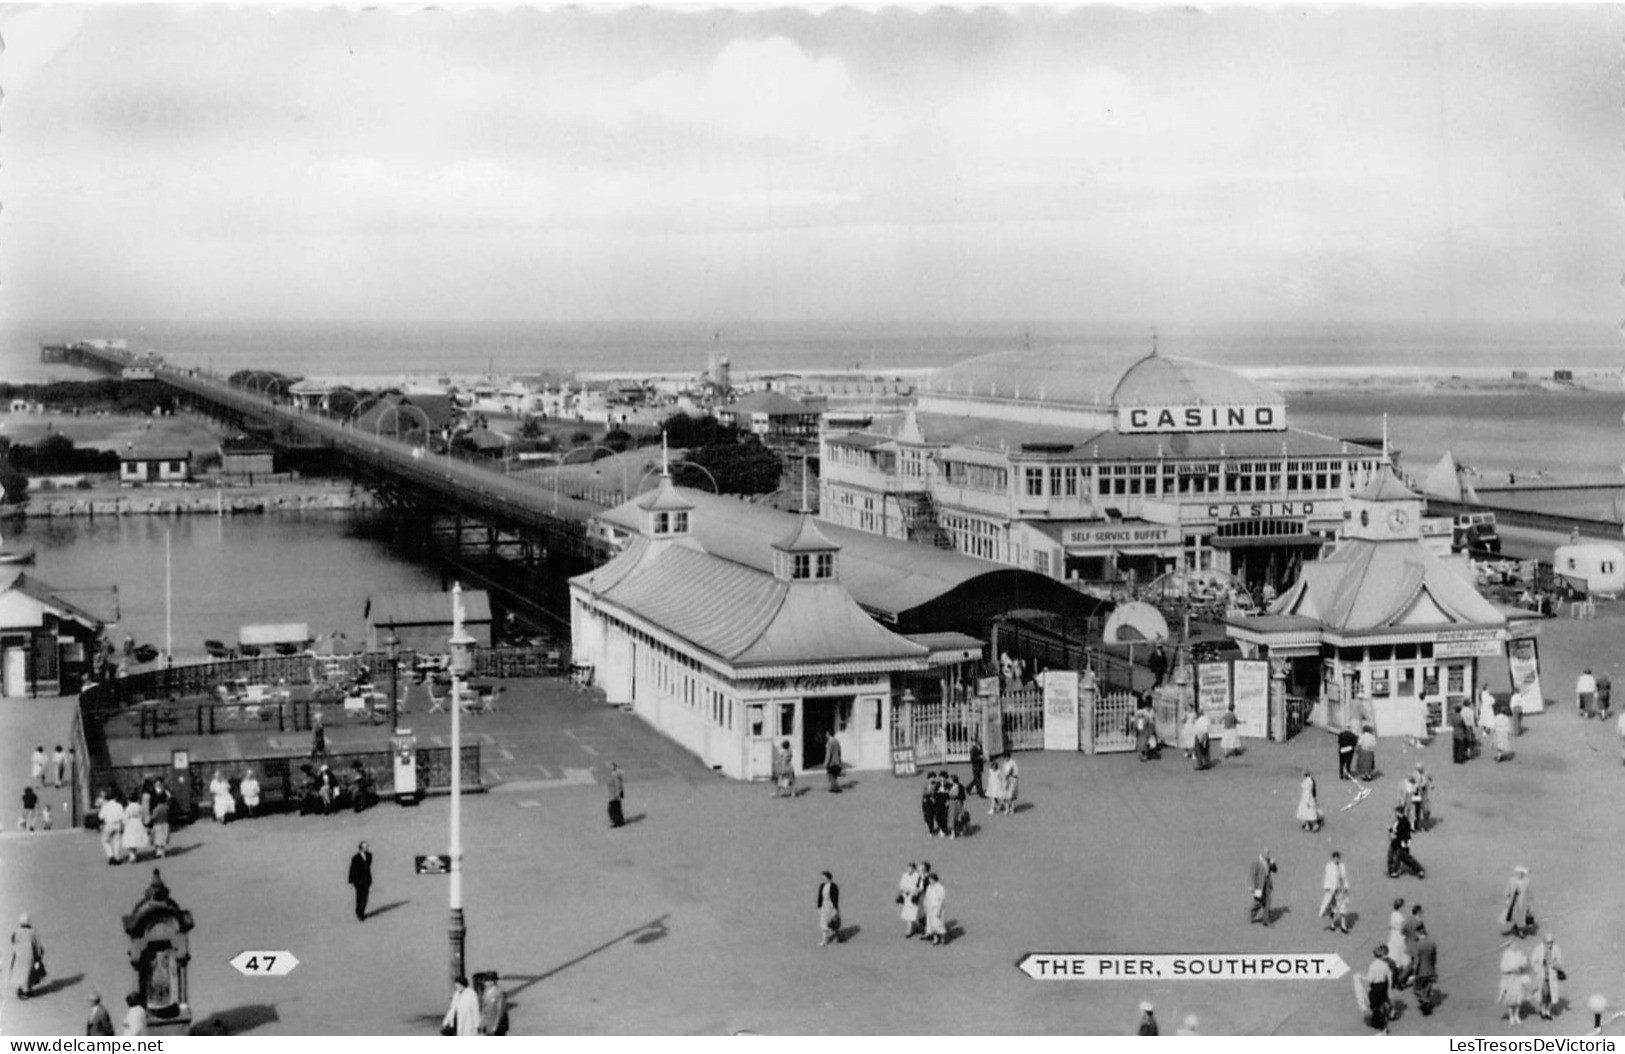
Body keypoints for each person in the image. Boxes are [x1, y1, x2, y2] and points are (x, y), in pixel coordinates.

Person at [1529, 933, 1565, 1020]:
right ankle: (1543, 1011)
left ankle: (1548, 1012)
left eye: (1551, 942)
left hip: (1551, 975)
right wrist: (1539, 966)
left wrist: (1554, 965)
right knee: (1543, 995)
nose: (1550, 944)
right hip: (1542, 975)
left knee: (1550, 996)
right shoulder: (1539, 949)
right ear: (1544, 942)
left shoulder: (1555, 949)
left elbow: (1559, 961)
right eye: (1548, 942)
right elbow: (1533, 961)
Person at [7, 913, 44, 1000]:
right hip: (30, 956)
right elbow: (37, 945)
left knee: (19, 972)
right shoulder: (32, 932)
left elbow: (13, 940)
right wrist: (39, 954)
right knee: (28, 973)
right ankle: (27, 990)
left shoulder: (17, 931)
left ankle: (20, 989)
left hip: (19, 956)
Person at [1362, 945, 1393, 1034]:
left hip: (1375, 987)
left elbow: (1371, 979)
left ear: (1374, 955)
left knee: (1375, 1005)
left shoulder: (1372, 966)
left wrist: (1364, 981)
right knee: (1383, 1000)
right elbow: (1388, 976)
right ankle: (1388, 1012)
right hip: (1383, 985)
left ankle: (1382, 1027)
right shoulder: (1385, 965)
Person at [1387, 807, 1425, 879]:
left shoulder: (1404, 822)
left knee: (1403, 857)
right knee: (1391, 855)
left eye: (1396, 812)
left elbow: (1402, 833)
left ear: (1399, 813)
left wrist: (1392, 831)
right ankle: (1392, 870)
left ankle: (1419, 870)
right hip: (1396, 841)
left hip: (1401, 842)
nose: (1395, 814)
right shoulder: (1398, 820)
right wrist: (1391, 830)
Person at [1499, 941, 1530, 1025]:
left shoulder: (1518, 954)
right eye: (1511, 944)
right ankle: (1511, 1016)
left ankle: (1516, 1015)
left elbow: (1523, 964)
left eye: (1514, 944)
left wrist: (1525, 959)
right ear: (1508, 946)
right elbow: (1503, 968)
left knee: (1518, 997)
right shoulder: (1505, 955)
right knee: (1510, 998)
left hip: (1517, 977)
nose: (1514, 945)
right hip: (1509, 978)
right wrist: (1512, 968)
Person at [1411, 924, 1439, 1015]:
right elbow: (1434, 957)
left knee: (1417, 989)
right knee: (1427, 987)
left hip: (1421, 971)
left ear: (1418, 933)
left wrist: (1414, 973)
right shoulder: (1432, 942)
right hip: (1430, 969)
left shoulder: (1418, 945)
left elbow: (1417, 961)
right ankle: (1426, 1001)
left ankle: (1425, 1002)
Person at [1320, 851, 1351, 933]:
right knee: (1332, 909)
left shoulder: (1342, 866)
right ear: (1333, 858)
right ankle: (1332, 924)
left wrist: (1346, 886)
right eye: (1335, 858)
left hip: (1341, 890)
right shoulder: (1329, 866)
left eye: (1338, 858)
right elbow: (1327, 877)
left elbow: (1345, 877)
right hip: (1333, 890)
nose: (1337, 859)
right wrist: (1328, 888)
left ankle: (1343, 926)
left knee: (1342, 908)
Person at [1385, 899, 1412, 987]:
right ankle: (1402, 977)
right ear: (1401, 907)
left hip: (1393, 935)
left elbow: (1390, 926)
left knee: (1394, 953)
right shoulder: (1400, 918)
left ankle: (1394, 972)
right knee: (1403, 955)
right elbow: (1402, 929)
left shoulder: (1393, 914)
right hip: (1399, 937)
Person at [1503, 866, 1534, 938]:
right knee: (1512, 915)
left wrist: (1529, 904)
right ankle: (1516, 928)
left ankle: (1520, 930)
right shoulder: (1512, 880)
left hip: (1523, 902)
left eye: (1522, 873)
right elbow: (1508, 890)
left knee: (1521, 916)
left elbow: (1529, 893)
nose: (1521, 875)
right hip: (1513, 901)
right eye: (1519, 873)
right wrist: (1507, 900)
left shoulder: (1527, 881)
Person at [1249, 848, 1277, 926]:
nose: (1268, 855)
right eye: (1266, 853)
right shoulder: (1257, 863)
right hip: (1259, 885)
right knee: (1259, 902)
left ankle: (1265, 920)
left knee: (1268, 901)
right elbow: (1253, 875)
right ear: (1262, 854)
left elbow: (1275, 870)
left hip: (1268, 883)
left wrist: (1273, 863)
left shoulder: (1269, 861)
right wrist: (1252, 886)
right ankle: (1252, 913)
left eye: (1268, 853)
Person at [348, 841, 374, 921]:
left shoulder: (369, 855)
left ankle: (362, 912)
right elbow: (352, 869)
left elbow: (368, 869)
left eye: (367, 846)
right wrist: (351, 882)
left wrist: (370, 881)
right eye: (365, 847)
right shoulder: (355, 858)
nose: (367, 848)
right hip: (358, 881)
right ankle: (359, 913)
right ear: (361, 848)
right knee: (359, 897)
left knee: (365, 897)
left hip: (366, 880)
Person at [898, 862, 924, 938]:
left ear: (913, 869)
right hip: (907, 897)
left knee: (914, 913)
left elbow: (920, 887)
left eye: (910, 868)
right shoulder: (905, 875)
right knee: (909, 913)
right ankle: (916, 927)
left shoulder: (917, 876)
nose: (908, 869)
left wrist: (913, 890)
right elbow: (901, 885)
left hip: (914, 897)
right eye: (907, 868)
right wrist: (904, 890)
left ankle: (912, 928)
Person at [121, 794, 149, 864]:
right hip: (138, 823)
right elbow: (142, 816)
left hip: (130, 823)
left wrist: (125, 824)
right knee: (136, 839)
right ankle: (134, 854)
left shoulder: (128, 808)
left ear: (129, 800)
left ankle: (132, 855)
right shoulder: (140, 807)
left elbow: (125, 817)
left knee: (130, 840)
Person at [922, 871, 947, 946]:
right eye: (929, 879)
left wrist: (939, 910)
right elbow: (927, 897)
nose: (929, 880)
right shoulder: (929, 887)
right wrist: (925, 905)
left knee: (939, 924)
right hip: (930, 908)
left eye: (930, 879)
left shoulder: (939, 887)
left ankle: (943, 939)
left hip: (937, 908)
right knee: (932, 925)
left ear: (934, 879)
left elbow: (941, 899)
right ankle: (935, 939)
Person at [816, 870, 840, 947]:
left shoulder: (833, 886)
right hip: (824, 905)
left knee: (833, 921)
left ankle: (836, 936)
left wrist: (835, 908)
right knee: (824, 923)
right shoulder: (822, 886)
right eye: (822, 878)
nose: (823, 880)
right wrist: (819, 906)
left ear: (828, 878)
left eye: (824, 878)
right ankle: (824, 940)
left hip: (831, 905)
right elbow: (820, 896)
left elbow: (835, 898)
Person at [148, 784, 170, 859]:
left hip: (157, 825)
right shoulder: (166, 808)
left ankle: (158, 852)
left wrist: (150, 819)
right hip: (165, 824)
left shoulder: (156, 809)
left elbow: (153, 817)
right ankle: (163, 852)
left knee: (157, 839)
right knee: (163, 839)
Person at [606, 762, 625, 828]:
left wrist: (617, 794)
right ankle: (619, 821)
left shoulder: (615, 775)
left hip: (614, 795)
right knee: (616, 808)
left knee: (612, 809)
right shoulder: (615, 774)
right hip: (613, 794)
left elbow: (618, 785)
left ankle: (617, 821)